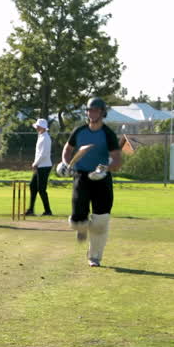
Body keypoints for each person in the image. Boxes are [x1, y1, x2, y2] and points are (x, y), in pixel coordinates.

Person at [62, 97, 123, 267]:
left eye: (95, 110)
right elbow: (67, 150)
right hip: (81, 177)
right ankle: (81, 228)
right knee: (77, 220)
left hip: (101, 179)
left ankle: (94, 256)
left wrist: (104, 170)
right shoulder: (79, 131)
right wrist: (67, 164)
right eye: (89, 110)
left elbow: (117, 161)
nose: (92, 113)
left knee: (101, 221)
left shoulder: (108, 134)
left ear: (103, 113)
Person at [26, 118, 54, 216]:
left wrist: (35, 163)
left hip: (44, 166)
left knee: (41, 190)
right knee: (33, 186)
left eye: (38, 126)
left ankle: (48, 211)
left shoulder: (45, 138)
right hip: (40, 165)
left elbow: (43, 154)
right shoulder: (41, 136)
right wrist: (36, 163)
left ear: (42, 127)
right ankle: (30, 209)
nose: (36, 128)